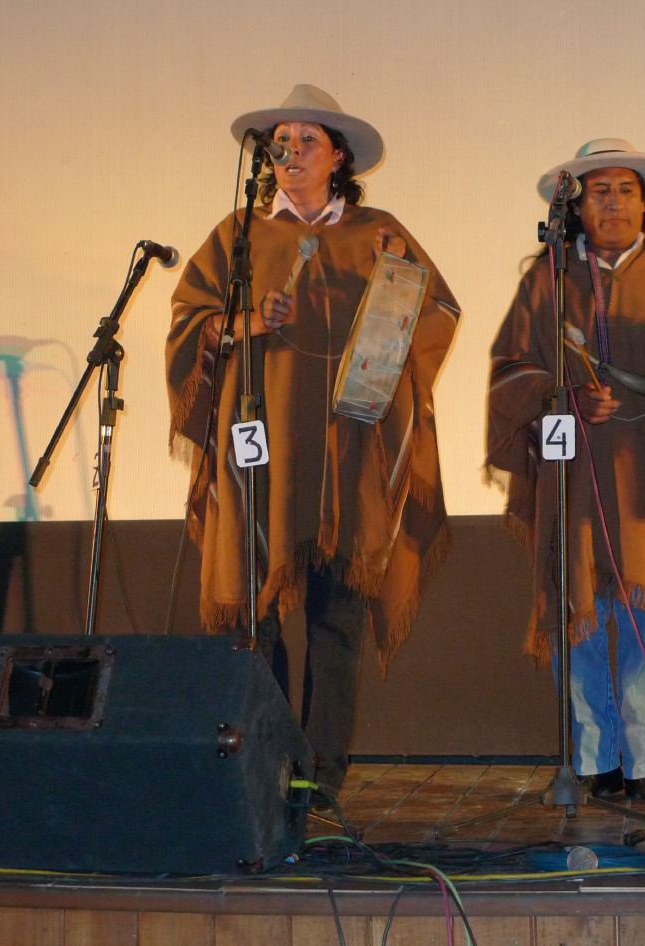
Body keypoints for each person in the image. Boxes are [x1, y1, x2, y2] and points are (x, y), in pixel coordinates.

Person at [166, 84, 459, 799]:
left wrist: (400, 285)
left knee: (336, 623)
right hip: (258, 455)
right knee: (255, 618)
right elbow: (189, 325)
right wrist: (250, 323)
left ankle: (320, 775)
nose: (290, 153)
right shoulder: (238, 237)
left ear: (339, 156)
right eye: (280, 142)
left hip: (347, 455)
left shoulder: (378, 231)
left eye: (306, 140)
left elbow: (437, 313)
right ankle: (264, 762)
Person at [486, 139, 645, 802]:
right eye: (597, 191)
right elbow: (511, 368)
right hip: (576, 463)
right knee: (578, 607)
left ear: (644, 200)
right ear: (576, 204)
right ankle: (593, 754)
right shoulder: (548, 276)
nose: (611, 203)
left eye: (624, 190)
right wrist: (566, 393)